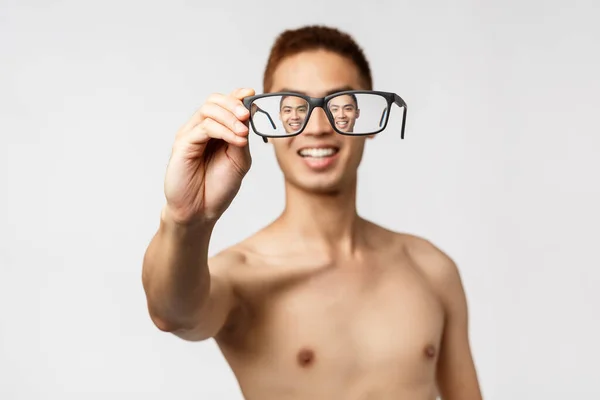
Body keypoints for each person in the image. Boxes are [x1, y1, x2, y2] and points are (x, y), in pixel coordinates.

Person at [141, 25, 483, 400]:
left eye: (340, 106)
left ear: (365, 121)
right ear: (266, 125)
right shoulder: (242, 275)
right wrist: (186, 220)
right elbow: (171, 312)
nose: (318, 128)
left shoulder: (432, 271)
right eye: (292, 109)